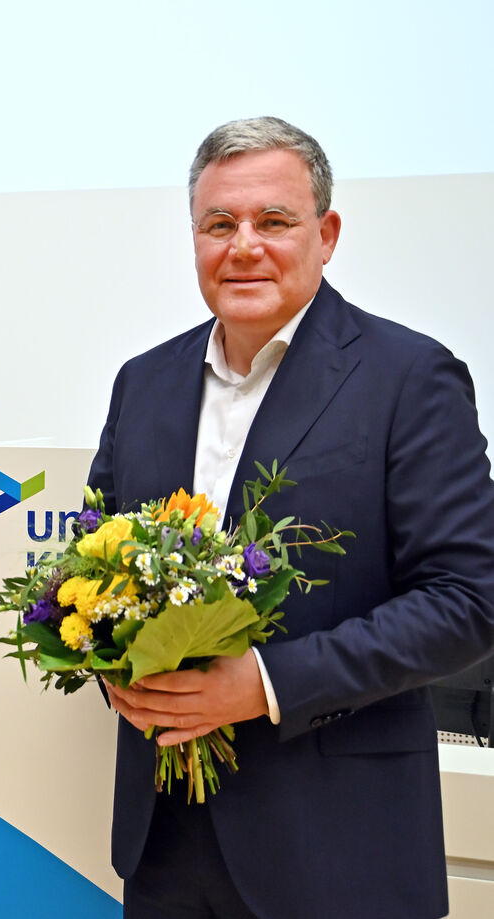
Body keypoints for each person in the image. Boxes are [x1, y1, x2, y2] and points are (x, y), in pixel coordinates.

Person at [88, 116, 494, 918]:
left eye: (272, 221)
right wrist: (114, 665)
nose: (243, 245)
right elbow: (95, 563)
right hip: (165, 848)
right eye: (218, 224)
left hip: (339, 852)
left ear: (326, 232)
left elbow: (467, 598)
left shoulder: (408, 377)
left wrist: (266, 683)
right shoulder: (143, 382)